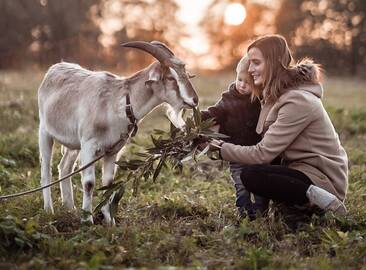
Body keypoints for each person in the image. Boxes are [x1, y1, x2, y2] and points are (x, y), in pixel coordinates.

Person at [209, 35, 348, 215]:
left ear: (274, 63)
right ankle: (299, 205)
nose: (250, 69)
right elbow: (238, 117)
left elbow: (263, 154)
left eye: (256, 63)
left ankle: (324, 201)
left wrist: (220, 148)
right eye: (249, 63)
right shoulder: (272, 96)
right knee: (258, 175)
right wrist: (211, 128)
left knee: (252, 175)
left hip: (322, 179)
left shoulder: (297, 100)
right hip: (297, 170)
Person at [201, 56, 270, 219]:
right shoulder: (229, 98)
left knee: (260, 187)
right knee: (241, 186)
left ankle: (261, 212)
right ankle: (245, 214)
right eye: (239, 79)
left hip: (256, 153)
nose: (242, 85)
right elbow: (215, 112)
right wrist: (202, 117)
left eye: (247, 82)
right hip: (234, 152)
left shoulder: (260, 101)